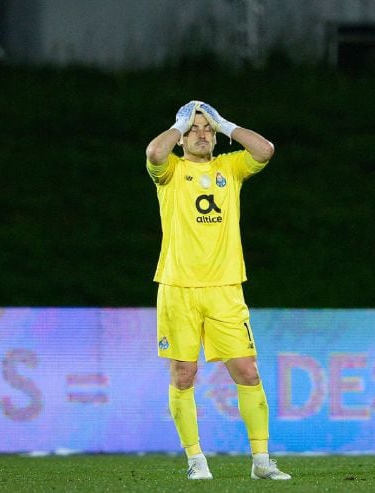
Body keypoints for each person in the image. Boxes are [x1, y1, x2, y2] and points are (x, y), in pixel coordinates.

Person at [145, 100, 290, 480]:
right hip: (178, 287)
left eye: (207, 129)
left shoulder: (229, 167)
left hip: (226, 288)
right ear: (181, 137)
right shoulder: (171, 170)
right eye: (195, 130)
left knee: (246, 370)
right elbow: (154, 152)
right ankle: (196, 461)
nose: (202, 134)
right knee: (183, 374)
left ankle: (261, 461)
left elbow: (265, 150)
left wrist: (224, 123)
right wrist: (180, 124)